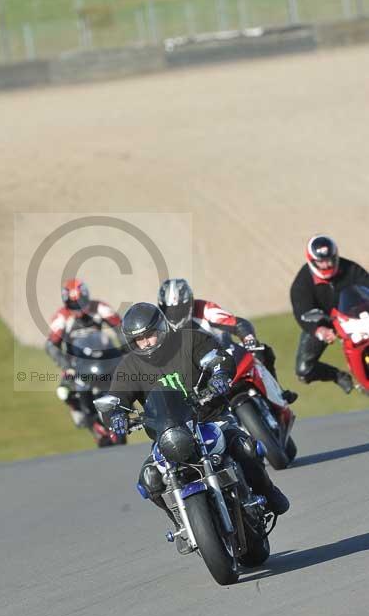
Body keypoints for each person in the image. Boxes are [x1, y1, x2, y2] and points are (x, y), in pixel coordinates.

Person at [103, 302, 289, 554]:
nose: (146, 343)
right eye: (139, 340)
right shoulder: (129, 366)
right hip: (169, 433)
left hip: (211, 419)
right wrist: (115, 415)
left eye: (149, 335)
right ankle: (181, 523)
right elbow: (116, 399)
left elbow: (218, 357)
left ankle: (268, 491)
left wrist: (220, 374)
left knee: (244, 447)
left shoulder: (190, 341)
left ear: (162, 329)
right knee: (150, 479)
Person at [158, 278, 298, 404]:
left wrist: (248, 337)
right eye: (169, 310)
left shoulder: (204, 309)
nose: (174, 314)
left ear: (189, 303)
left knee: (261, 351)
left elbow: (236, 323)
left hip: (226, 354)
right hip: (198, 375)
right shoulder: (160, 329)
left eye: (179, 309)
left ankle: (279, 394)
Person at [45, 278, 123, 446]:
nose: (80, 308)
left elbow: (121, 328)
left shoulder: (100, 308)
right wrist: (67, 366)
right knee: (64, 391)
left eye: (82, 302)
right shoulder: (61, 318)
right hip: (77, 365)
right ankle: (82, 413)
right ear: (67, 304)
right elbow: (51, 346)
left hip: (103, 360)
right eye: (74, 304)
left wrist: (126, 349)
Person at [290, 235, 369, 393]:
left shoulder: (351, 269)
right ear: (312, 261)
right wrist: (318, 330)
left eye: (329, 260)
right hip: (324, 321)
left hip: (356, 317)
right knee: (304, 370)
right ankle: (337, 376)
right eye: (321, 261)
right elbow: (302, 312)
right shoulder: (301, 283)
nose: (326, 265)